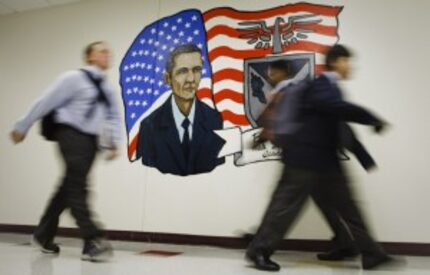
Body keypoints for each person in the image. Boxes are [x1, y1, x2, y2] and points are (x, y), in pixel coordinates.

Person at [246, 44, 392, 271]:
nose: (350, 66)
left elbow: (340, 125)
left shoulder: (330, 89)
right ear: (335, 62)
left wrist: (365, 157)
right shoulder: (321, 85)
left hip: (325, 162)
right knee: (284, 209)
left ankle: (370, 253)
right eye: (347, 61)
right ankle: (259, 251)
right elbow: (336, 108)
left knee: (348, 208)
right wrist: (371, 118)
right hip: (303, 159)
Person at [10, 41, 121, 262]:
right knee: (79, 187)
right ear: (89, 57)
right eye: (101, 51)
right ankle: (92, 239)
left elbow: (113, 116)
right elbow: (45, 101)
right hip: (70, 134)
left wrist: (114, 142)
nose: (107, 54)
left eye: (108, 51)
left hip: (91, 141)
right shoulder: (73, 78)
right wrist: (23, 126)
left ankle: (43, 236)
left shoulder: (107, 88)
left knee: (68, 187)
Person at [136, 44, 225, 176]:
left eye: (196, 70)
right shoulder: (149, 126)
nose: (191, 79)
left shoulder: (214, 120)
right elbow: (147, 172)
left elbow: (218, 170)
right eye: (182, 71)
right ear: (168, 78)